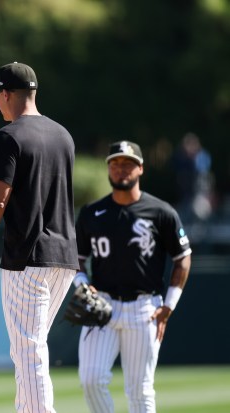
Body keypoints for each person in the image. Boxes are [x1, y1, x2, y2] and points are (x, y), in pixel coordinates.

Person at [0, 62, 79, 413]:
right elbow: (35, 194)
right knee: (33, 348)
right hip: (65, 258)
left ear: (6, 94)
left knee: (29, 351)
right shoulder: (62, 135)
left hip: (28, 258)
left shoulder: (9, 135)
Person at [73, 140, 192, 413]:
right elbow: (76, 259)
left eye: (127, 164)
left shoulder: (161, 212)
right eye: (114, 164)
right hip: (100, 302)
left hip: (144, 306)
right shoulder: (92, 213)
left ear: (140, 169)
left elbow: (182, 257)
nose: (120, 169)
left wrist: (169, 304)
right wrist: (81, 284)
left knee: (139, 390)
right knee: (90, 380)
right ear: (108, 169)